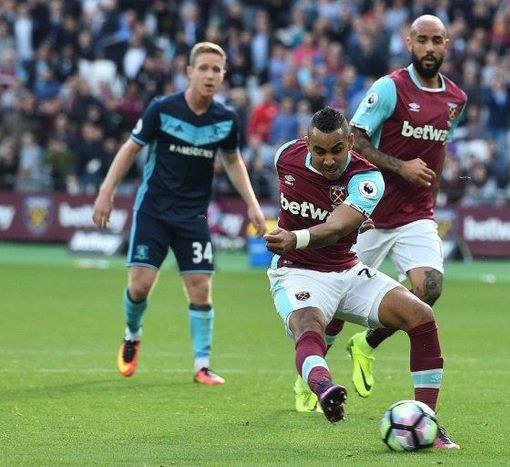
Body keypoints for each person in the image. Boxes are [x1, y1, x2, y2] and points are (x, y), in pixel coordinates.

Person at [264, 107, 459, 448]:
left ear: (351, 142)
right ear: (307, 143)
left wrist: (303, 233)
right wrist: (304, 232)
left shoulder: (367, 178)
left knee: (421, 316)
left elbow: (337, 226)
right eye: (319, 151)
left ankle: (428, 421)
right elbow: (307, 204)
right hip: (297, 272)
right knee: (309, 327)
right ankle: (324, 388)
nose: (328, 160)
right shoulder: (284, 156)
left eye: (337, 150)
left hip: (348, 270)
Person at [92, 42, 266, 385]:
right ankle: (132, 333)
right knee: (140, 285)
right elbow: (130, 149)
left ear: (224, 75)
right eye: (203, 68)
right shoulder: (162, 109)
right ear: (189, 72)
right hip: (153, 211)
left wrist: (253, 203)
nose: (210, 75)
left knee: (201, 288)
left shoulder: (226, 119)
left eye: (217, 69)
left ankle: (202, 365)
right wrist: (105, 192)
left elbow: (232, 160)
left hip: (193, 217)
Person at [340, 15, 467, 399]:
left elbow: (439, 150)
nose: (429, 48)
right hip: (371, 211)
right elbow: (354, 138)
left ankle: (367, 343)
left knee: (428, 287)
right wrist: (401, 167)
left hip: (416, 212)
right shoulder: (390, 88)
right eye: (422, 40)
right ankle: (308, 379)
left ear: (447, 44)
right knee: (333, 304)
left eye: (437, 41)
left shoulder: (455, 99)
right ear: (408, 42)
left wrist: (433, 197)